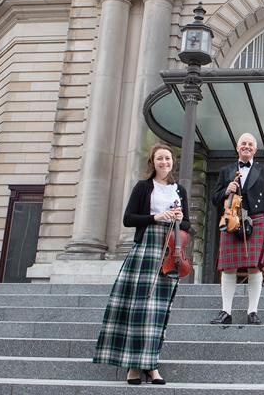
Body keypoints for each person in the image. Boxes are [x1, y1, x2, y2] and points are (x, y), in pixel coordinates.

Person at [93, 143, 189, 385]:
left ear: (172, 161)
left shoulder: (181, 191)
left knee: (158, 313)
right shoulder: (143, 187)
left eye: (167, 158)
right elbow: (128, 219)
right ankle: (133, 368)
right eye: (159, 159)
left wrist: (180, 219)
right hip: (146, 250)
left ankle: (152, 366)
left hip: (169, 253)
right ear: (152, 162)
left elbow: (188, 227)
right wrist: (155, 217)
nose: (164, 162)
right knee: (138, 310)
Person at [209, 133, 264, 325]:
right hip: (231, 221)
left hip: (256, 220)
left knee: (255, 267)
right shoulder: (225, 171)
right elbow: (215, 200)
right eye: (243, 144)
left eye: (250, 144)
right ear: (237, 148)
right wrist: (226, 191)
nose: (247, 146)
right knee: (228, 267)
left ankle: (252, 311)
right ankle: (226, 312)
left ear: (255, 150)